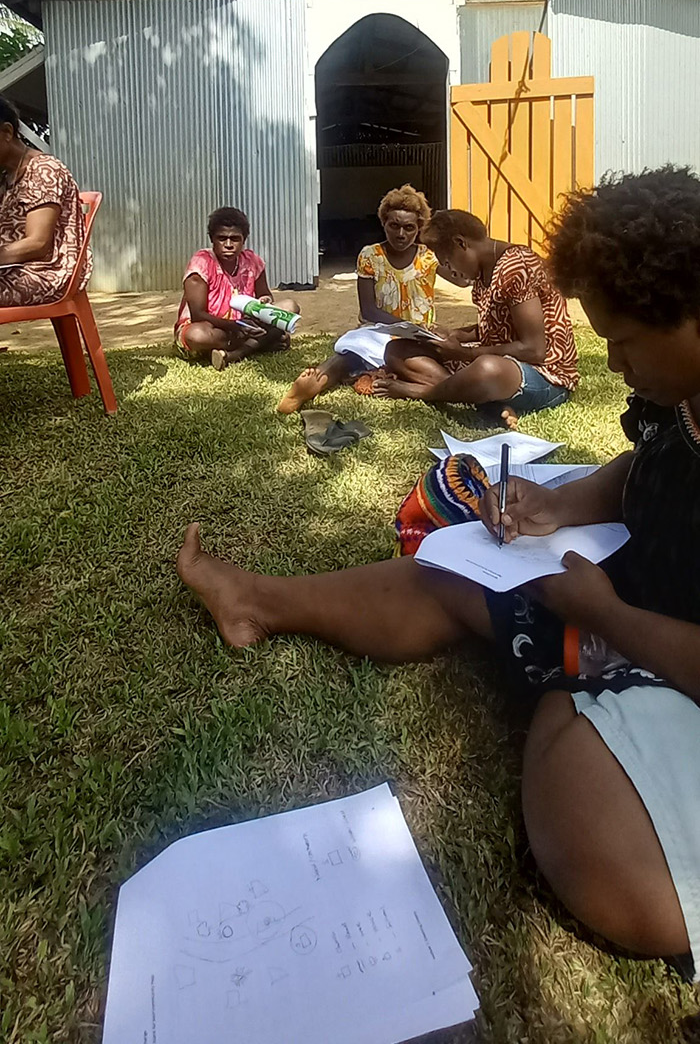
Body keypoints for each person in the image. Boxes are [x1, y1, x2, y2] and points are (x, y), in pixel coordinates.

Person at [178, 166, 700, 978]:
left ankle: (582, 691)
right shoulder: (680, 398)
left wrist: (610, 617)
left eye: (627, 340)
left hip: (662, 641)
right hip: (639, 605)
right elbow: (647, 468)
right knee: (456, 567)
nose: (616, 361)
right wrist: (559, 506)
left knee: (613, 870)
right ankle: (257, 601)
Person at [374, 209, 578, 423]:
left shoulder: (517, 266)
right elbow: (497, 327)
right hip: (501, 364)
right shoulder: (482, 273)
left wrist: (466, 354)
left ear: (461, 243)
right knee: (398, 350)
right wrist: (455, 335)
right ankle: (484, 400)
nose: (451, 271)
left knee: (486, 369)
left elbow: (534, 350)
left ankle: (423, 392)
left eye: (447, 262)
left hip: (544, 375)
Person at [278, 184, 440, 413]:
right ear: (383, 222)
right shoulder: (370, 255)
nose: (401, 234)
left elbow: (463, 278)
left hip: (418, 338)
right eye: (394, 225)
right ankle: (312, 384)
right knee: (349, 354)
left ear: (419, 228)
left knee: (420, 362)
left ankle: (378, 374)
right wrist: (406, 327)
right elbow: (369, 311)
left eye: (409, 227)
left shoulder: (429, 257)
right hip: (378, 331)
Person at [175, 206, 299, 370]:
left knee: (290, 307)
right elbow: (198, 315)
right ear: (212, 239)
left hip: (244, 324)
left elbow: (265, 295)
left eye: (235, 239)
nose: (228, 245)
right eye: (222, 238)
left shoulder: (252, 261)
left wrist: (264, 302)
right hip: (213, 326)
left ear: (244, 240)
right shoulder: (201, 264)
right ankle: (262, 342)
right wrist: (234, 326)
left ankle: (236, 353)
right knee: (197, 336)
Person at [0, 96, 89, 307]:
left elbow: (38, 244)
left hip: (45, 273)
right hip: (13, 270)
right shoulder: (7, 176)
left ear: (7, 132)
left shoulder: (43, 171)